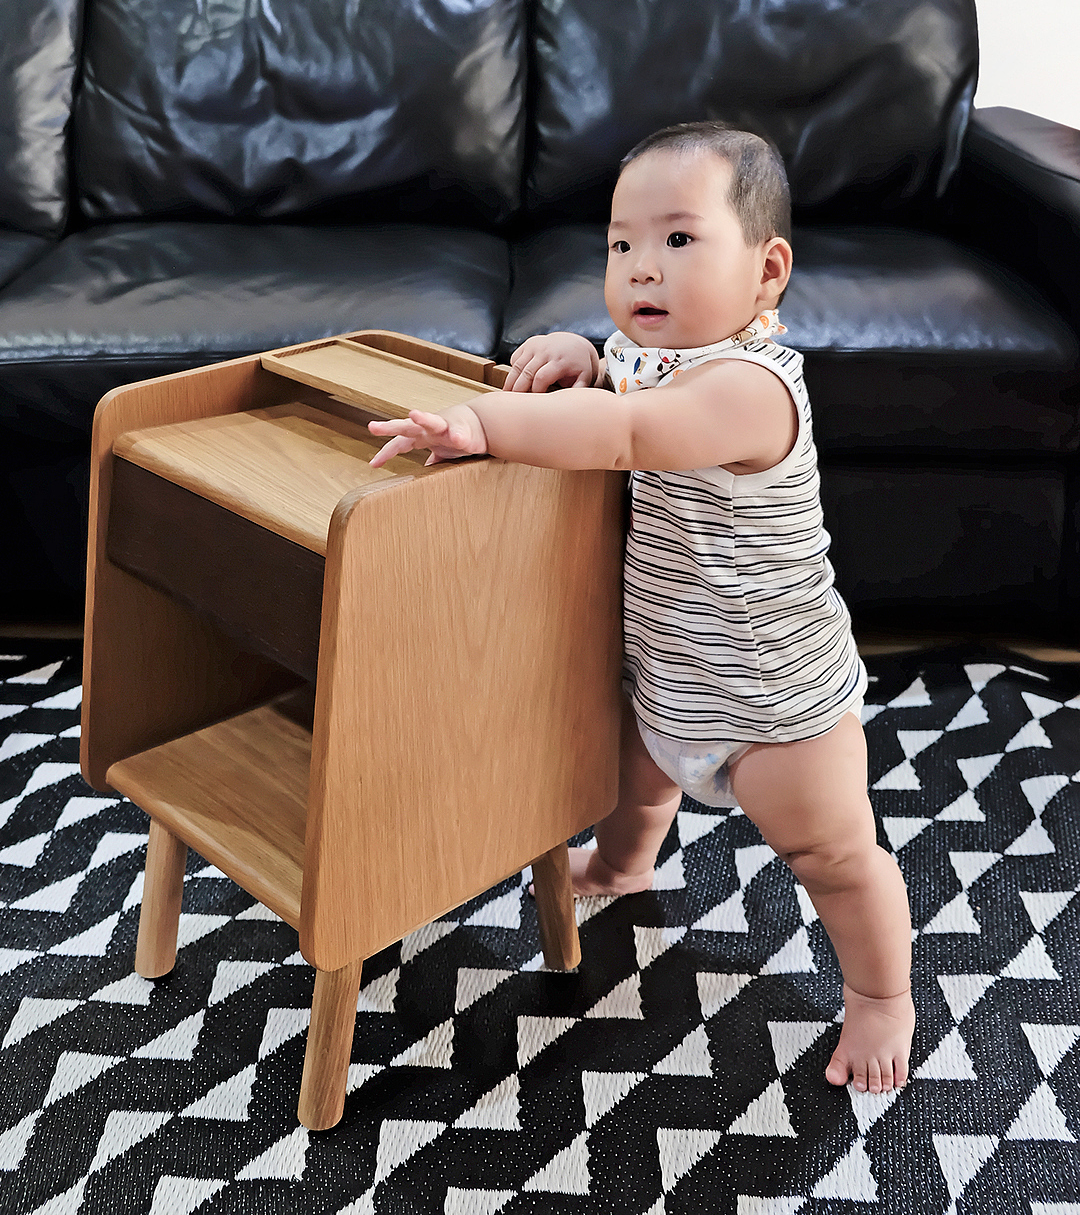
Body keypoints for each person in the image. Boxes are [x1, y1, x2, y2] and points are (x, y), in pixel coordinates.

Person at [368, 121, 914, 1095]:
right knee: (636, 778)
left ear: (767, 271)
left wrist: (485, 422)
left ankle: (881, 995)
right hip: (667, 664)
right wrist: (574, 352)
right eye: (620, 245)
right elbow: (617, 388)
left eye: (677, 239)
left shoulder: (750, 388)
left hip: (772, 697)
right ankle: (624, 868)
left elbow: (628, 430)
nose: (639, 269)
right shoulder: (646, 352)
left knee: (831, 853)